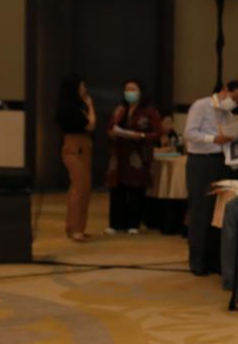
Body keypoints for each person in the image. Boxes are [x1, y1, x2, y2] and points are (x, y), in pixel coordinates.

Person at [182, 79, 238, 275]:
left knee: (217, 212)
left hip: (221, 162)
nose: (234, 103)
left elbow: (227, 138)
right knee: (200, 211)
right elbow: (189, 133)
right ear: (225, 90)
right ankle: (197, 261)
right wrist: (214, 139)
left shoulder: (227, 113)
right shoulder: (201, 105)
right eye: (234, 98)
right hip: (201, 162)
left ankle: (213, 260)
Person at [105, 79, 162, 234]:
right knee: (117, 189)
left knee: (135, 189)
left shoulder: (150, 112)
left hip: (138, 156)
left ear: (141, 92)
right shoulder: (120, 110)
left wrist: (141, 136)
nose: (129, 93)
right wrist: (113, 133)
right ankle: (116, 223)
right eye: (127, 90)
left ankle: (133, 223)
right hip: (119, 155)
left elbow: (157, 133)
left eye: (133, 89)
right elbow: (110, 128)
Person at [56, 74, 96, 242]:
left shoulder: (77, 106)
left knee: (83, 188)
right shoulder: (69, 108)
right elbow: (90, 125)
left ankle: (77, 227)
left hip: (82, 147)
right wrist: (91, 106)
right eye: (82, 86)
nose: (84, 89)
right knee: (79, 189)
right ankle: (75, 229)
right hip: (75, 148)